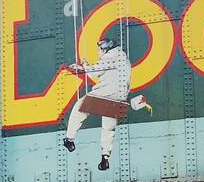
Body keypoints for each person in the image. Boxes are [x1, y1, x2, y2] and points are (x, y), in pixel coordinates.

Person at [63, 36, 153, 171]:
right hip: (119, 99)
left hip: (103, 95)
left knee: (79, 109)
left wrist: (85, 64)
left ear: (105, 48)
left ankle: (69, 139)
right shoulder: (123, 59)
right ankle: (105, 157)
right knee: (108, 128)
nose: (98, 51)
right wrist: (83, 68)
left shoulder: (111, 56)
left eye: (99, 48)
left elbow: (95, 73)